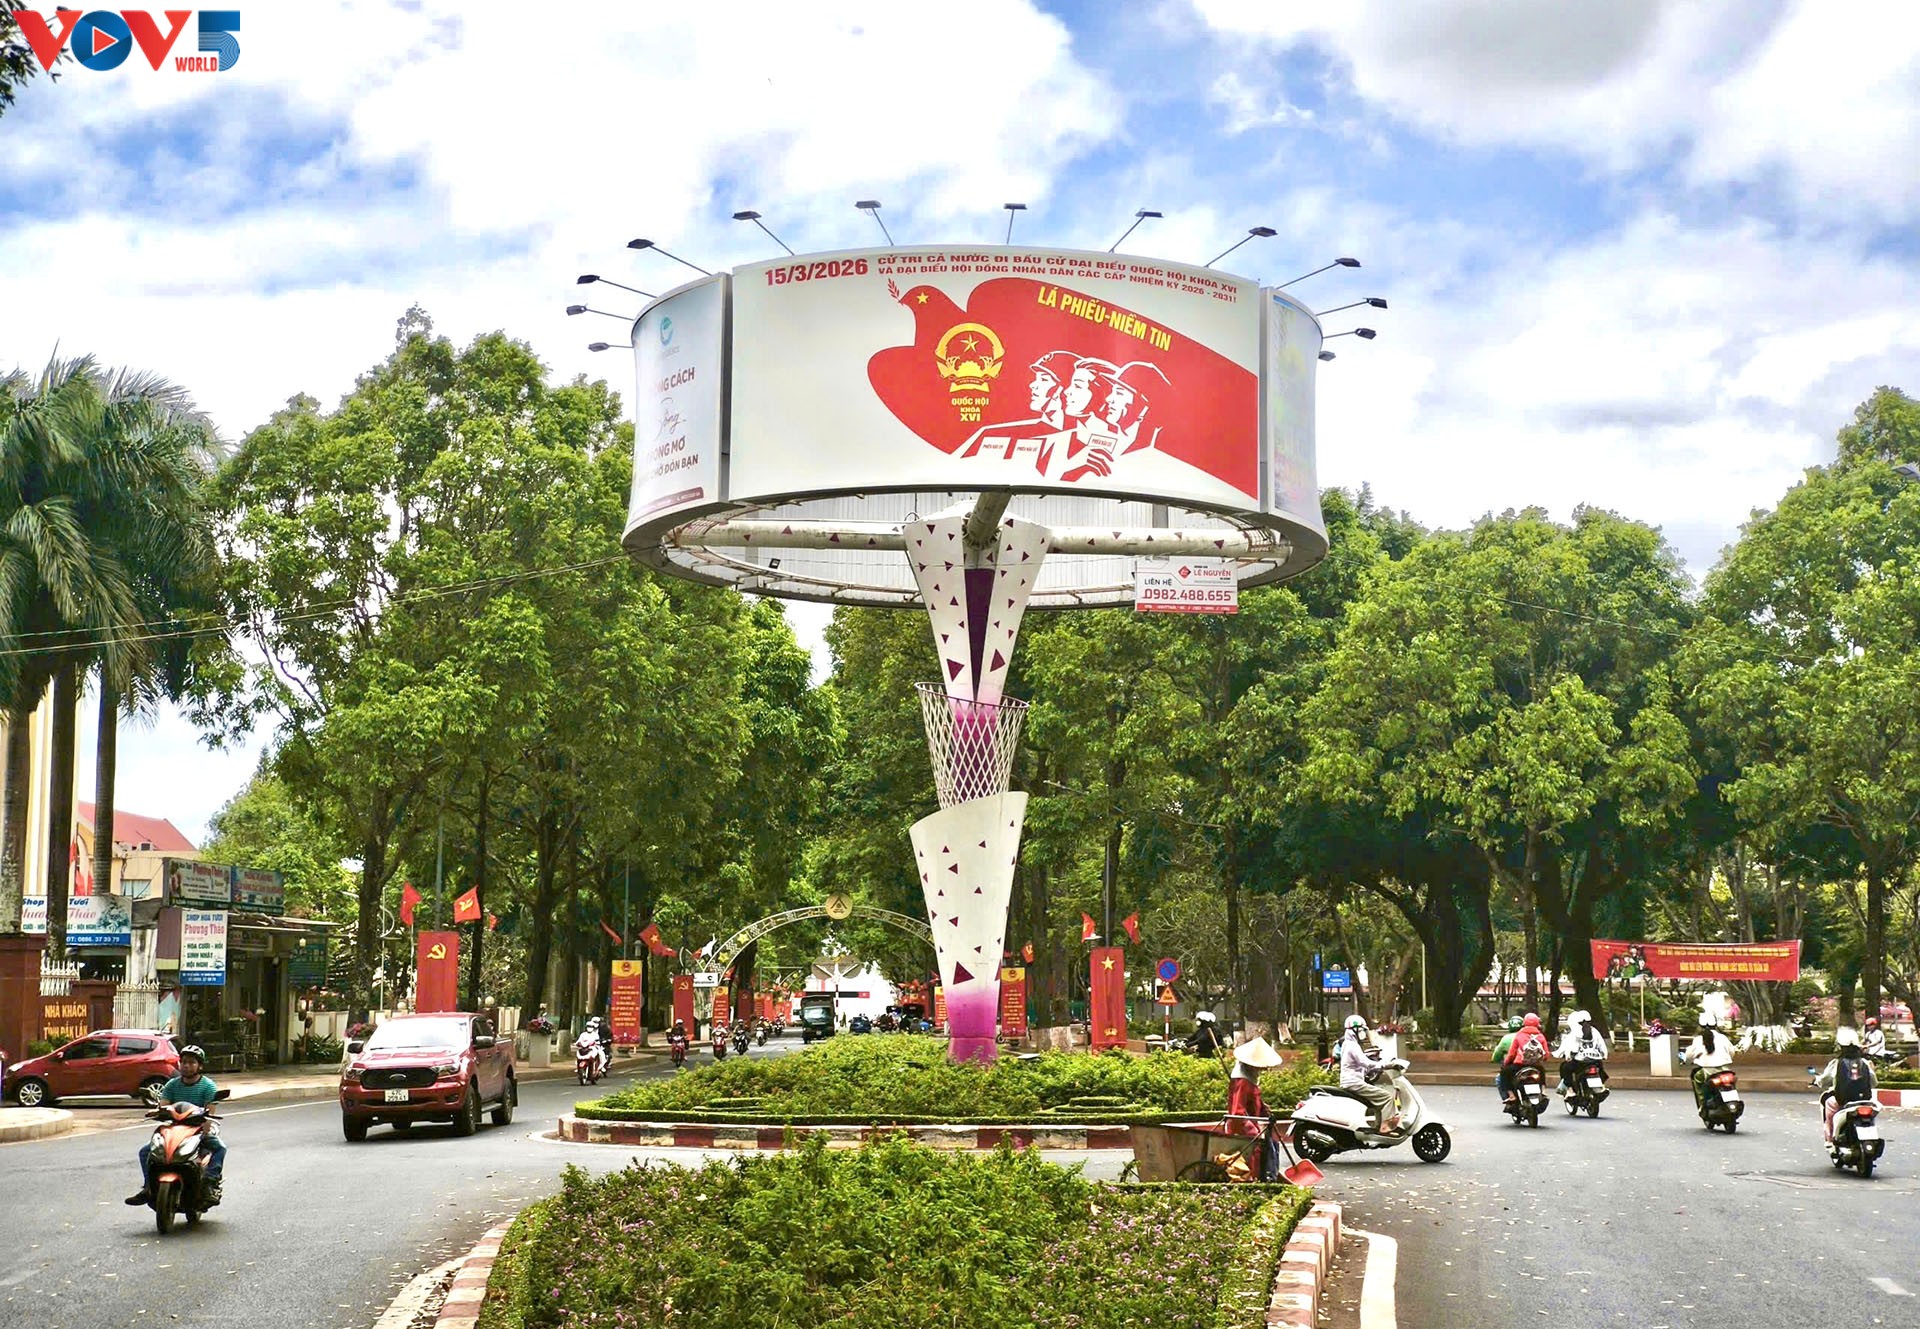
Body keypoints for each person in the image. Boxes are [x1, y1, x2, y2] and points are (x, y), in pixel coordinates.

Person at [126, 1044, 224, 1206]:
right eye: (184, 1062)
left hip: (198, 1128)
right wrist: (156, 1112)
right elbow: (163, 1106)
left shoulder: (208, 1086)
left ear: (200, 1066)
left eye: (191, 1062)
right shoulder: (172, 1084)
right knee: (145, 1152)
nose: (186, 1066)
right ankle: (148, 1187)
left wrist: (206, 1130)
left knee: (219, 1148)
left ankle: (209, 1182)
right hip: (174, 1128)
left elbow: (209, 1113)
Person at [1339, 1015, 1402, 1133]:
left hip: (1353, 1081)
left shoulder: (1349, 1044)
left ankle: (1378, 1125)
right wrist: (1384, 1064)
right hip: (1354, 1083)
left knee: (1377, 1099)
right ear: (1354, 1030)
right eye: (1361, 1030)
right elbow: (1365, 1063)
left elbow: (1361, 1066)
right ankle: (1386, 1126)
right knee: (1387, 1097)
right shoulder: (1352, 1046)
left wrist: (1376, 1068)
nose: (1363, 1033)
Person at [1816, 1028, 1878, 1142]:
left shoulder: (1836, 1063)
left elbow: (1825, 1080)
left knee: (1829, 1103)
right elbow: (1874, 1082)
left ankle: (1830, 1139)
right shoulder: (1865, 1062)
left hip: (1842, 1101)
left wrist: (1818, 1081)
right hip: (1864, 1101)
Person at [1225, 1036, 1284, 1136]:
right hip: (1242, 1136)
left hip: (1252, 1130)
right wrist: (1253, 1132)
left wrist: (1264, 1110)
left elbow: (1253, 1103)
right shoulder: (1242, 1082)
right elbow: (1237, 1114)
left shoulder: (1251, 1081)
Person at [1683, 1014, 1735, 1111]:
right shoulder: (1723, 1038)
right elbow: (1732, 1052)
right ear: (1715, 1025)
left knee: (1697, 1078)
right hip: (1724, 1069)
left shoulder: (1698, 1039)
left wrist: (1687, 1061)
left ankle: (1703, 1105)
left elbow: (1689, 1055)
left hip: (1707, 1071)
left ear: (1700, 1026)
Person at [1499, 1013, 1551, 1106]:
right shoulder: (1541, 1036)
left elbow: (1512, 1053)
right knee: (1542, 1071)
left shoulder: (1519, 1035)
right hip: (1535, 1065)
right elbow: (1546, 1054)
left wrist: (1506, 1063)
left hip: (1519, 1065)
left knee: (1504, 1073)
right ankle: (1543, 1091)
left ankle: (1511, 1096)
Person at [1556, 1010, 1610, 1096]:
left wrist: (1568, 1056)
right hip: (1595, 1061)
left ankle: (1570, 1090)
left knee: (1565, 1068)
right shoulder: (1594, 1031)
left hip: (1580, 1062)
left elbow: (1572, 1049)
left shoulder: (1575, 1032)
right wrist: (1604, 1055)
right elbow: (1602, 1046)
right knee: (1600, 1069)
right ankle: (1602, 1086)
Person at [1490, 1015, 1522, 1101]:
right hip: (1529, 1064)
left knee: (1499, 1079)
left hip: (1513, 1066)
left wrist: (1495, 1059)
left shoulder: (1506, 1038)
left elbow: (1497, 1054)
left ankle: (1508, 1099)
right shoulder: (1529, 1036)